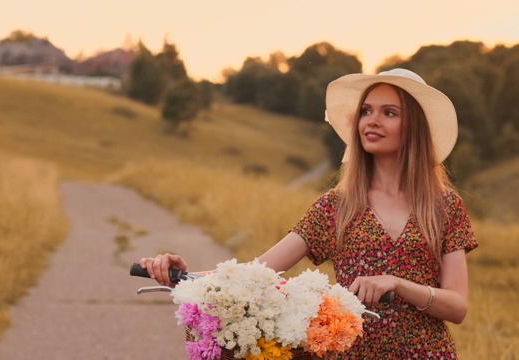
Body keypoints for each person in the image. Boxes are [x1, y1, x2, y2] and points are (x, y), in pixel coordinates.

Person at [139, 68, 478, 359]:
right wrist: (185, 276)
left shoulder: (444, 207)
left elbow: (457, 306)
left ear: (414, 127)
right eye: (366, 111)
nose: (372, 121)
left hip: (428, 353)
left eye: (389, 112)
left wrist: (400, 285)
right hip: (350, 354)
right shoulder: (336, 206)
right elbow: (257, 272)